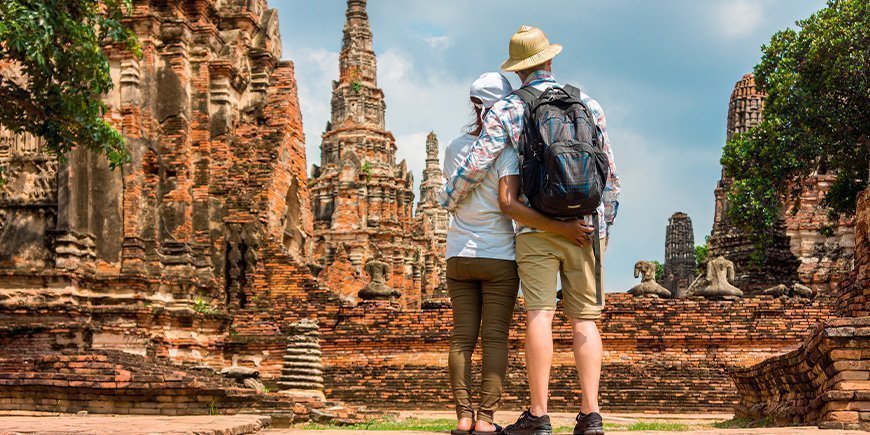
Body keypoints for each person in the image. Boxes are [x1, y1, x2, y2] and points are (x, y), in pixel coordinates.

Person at [439, 26, 621, 435]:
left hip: (535, 227)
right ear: (550, 59)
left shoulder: (508, 108)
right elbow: (609, 173)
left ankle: (539, 415)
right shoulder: (587, 102)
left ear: (517, 70)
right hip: (585, 226)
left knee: (540, 314)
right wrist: (603, 228)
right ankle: (591, 415)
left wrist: (447, 196)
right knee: (585, 321)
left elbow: (477, 163)